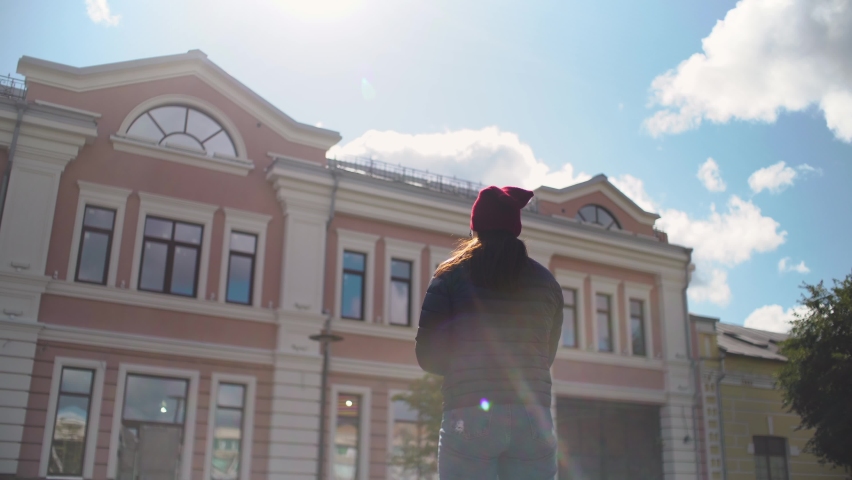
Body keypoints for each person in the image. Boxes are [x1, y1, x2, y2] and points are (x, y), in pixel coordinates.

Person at [416, 186, 564, 480]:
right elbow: (546, 354)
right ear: (515, 229)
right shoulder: (547, 282)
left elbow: (428, 356)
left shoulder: (450, 274)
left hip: (469, 410)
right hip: (533, 418)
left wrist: (466, 367)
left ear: (475, 228)